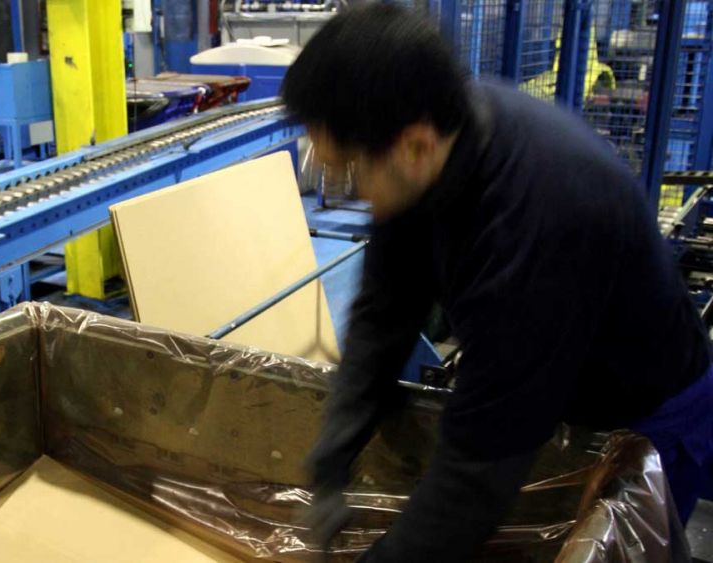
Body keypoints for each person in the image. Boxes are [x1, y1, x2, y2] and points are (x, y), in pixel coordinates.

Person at [282, 4, 713, 561]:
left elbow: (477, 474)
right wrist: (332, 458)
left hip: (647, 418)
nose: (354, 191)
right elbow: (384, 315)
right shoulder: (427, 142)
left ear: (415, 146)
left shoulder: (534, 223)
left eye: (349, 170)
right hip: (555, 388)